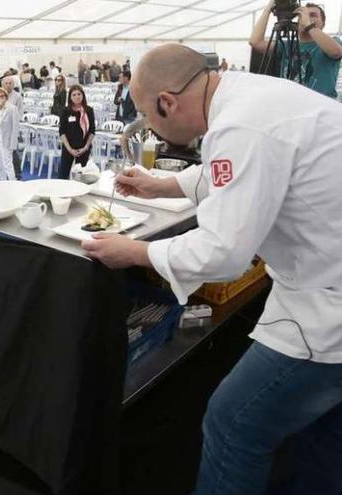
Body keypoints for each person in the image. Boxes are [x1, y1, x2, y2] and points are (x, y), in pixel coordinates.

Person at [82, 43, 342, 495]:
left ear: (167, 102)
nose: (154, 133)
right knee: (325, 427)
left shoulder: (240, 125)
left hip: (328, 302)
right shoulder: (247, 95)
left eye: (150, 118)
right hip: (325, 271)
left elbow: (224, 252)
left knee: (232, 424)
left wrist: (136, 253)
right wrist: (163, 185)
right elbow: (235, 173)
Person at [249, 1, 342, 98]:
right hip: (292, 104)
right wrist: (267, 10)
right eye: (302, 15)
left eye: (313, 15)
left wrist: (309, 25)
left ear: (323, 24)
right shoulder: (286, 45)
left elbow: (335, 52)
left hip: (319, 107)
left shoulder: (334, 41)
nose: (307, 17)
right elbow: (256, 42)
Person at [58, 85, 95, 180]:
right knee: (63, 175)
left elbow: (92, 131)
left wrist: (86, 147)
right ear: (70, 97)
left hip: (83, 148)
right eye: (74, 95)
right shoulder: (65, 111)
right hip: (68, 147)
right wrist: (70, 149)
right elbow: (62, 132)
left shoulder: (89, 110)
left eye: (79, 94)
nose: (77, 97)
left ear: (83, 95)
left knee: (81, 176)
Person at [0, 88, 20, 181]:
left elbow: (15, 128)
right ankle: (3, 181)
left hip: (6, 140)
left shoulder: (12, 109)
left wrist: (13, 144)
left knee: (7, 163)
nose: (0, 98)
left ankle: (12, 182)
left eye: (2, 96)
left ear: (6, 97)